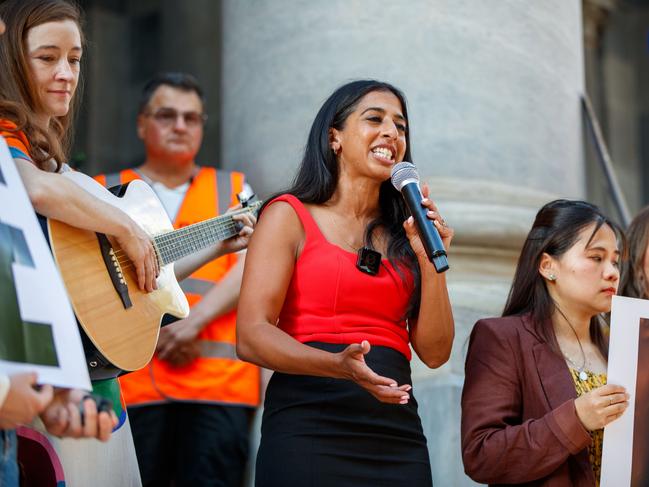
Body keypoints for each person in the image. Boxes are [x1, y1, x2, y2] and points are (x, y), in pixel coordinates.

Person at [0, 2, 253, 486]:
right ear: (12, 60)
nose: (65, 73)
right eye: (47, 57)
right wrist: (127, 227)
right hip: (54, 388)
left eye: (74, 59)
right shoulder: (10, 140)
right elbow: (27, 186)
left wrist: (216, 247)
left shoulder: (56, 162)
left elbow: (135, 282)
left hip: (95, 387)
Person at [236, 79, 455, 486]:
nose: (392, 133)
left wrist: (428, 261)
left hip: (396, 432)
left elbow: (436, 352)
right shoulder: (288, 215)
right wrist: (339, 367)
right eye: (375, 119)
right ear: (334, 137)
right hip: (309, 424)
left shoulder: (407, 237)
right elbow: (250, 335)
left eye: (401, 126)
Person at [94, 72, 260, 487]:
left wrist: (194, 322)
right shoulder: (102, 192)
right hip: (131, 387)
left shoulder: (234, 189)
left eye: (192, 117)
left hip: (217, 388)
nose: (181, 126)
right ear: (141, 123)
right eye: (167, 115)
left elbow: (254, 266)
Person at [461, 199, 630, 486]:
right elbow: (481, 454)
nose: (612, 272)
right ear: (548, 266)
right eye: (596, 257)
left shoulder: (621, 348)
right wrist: (576, 419)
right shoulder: (503, 338)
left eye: (615, 261)